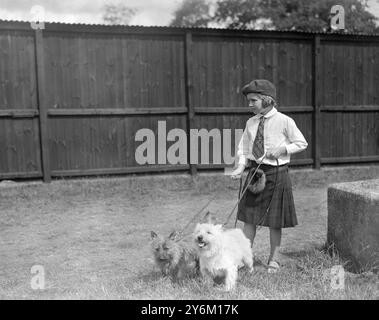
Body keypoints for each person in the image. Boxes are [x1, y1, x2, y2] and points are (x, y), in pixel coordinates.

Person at [230, 79, 308, 273]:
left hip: (276, 173)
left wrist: (283, 149)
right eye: (248, 100)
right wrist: (241, 167)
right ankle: (244, 258)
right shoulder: (251, 122)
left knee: (275, 221)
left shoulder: (284, 121)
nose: (249, 105)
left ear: (266, 100)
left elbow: (301, 143)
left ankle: (274, 259)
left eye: (253, 100)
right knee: (249, 218)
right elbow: (244, 147)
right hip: (255, 173)